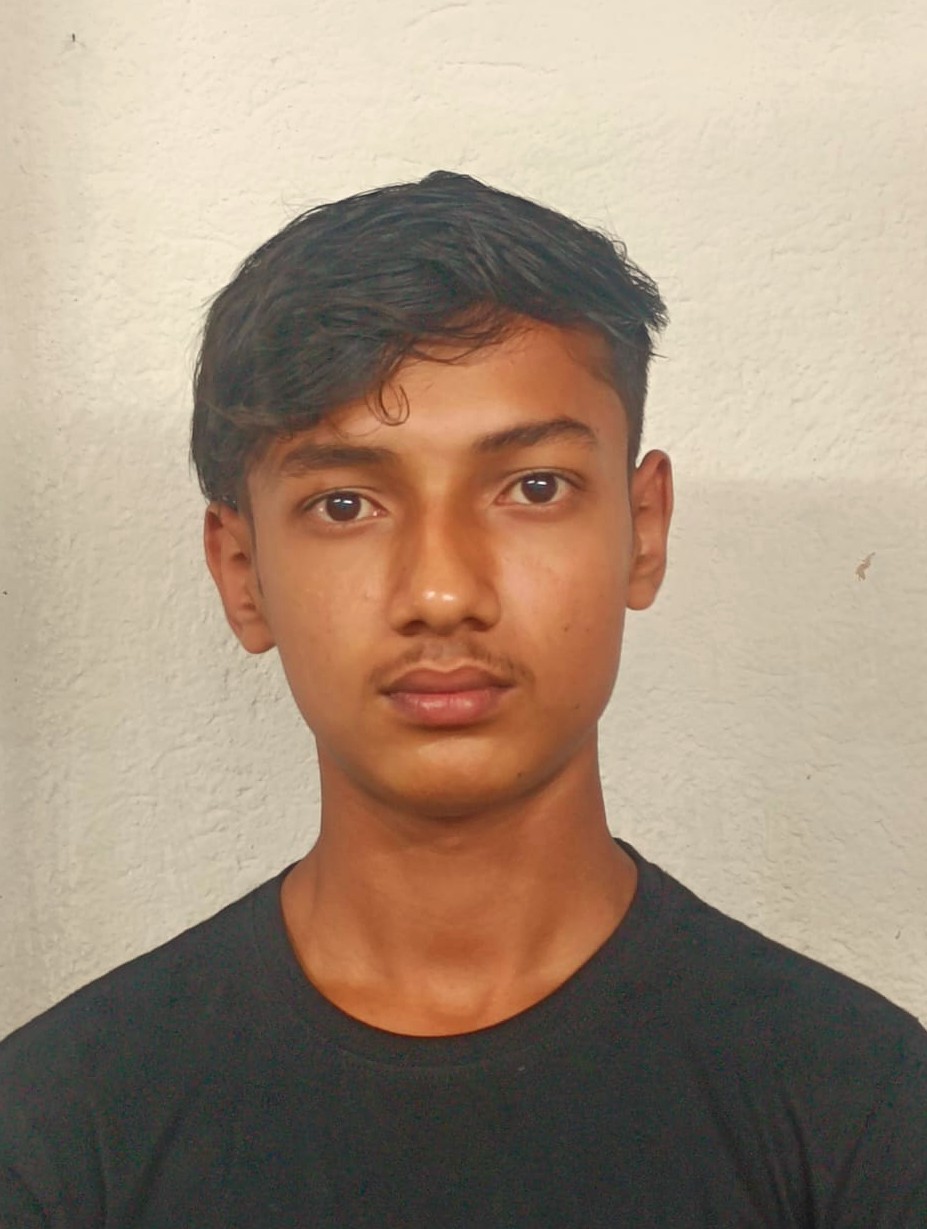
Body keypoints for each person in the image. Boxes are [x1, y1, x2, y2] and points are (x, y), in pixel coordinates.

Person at [1, 170, 924, 1228]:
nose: (441, 592)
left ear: (643, 529)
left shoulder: (866, 1118)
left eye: (534, 487)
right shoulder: (58, 1135)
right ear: (242, 572)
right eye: (344, 503)